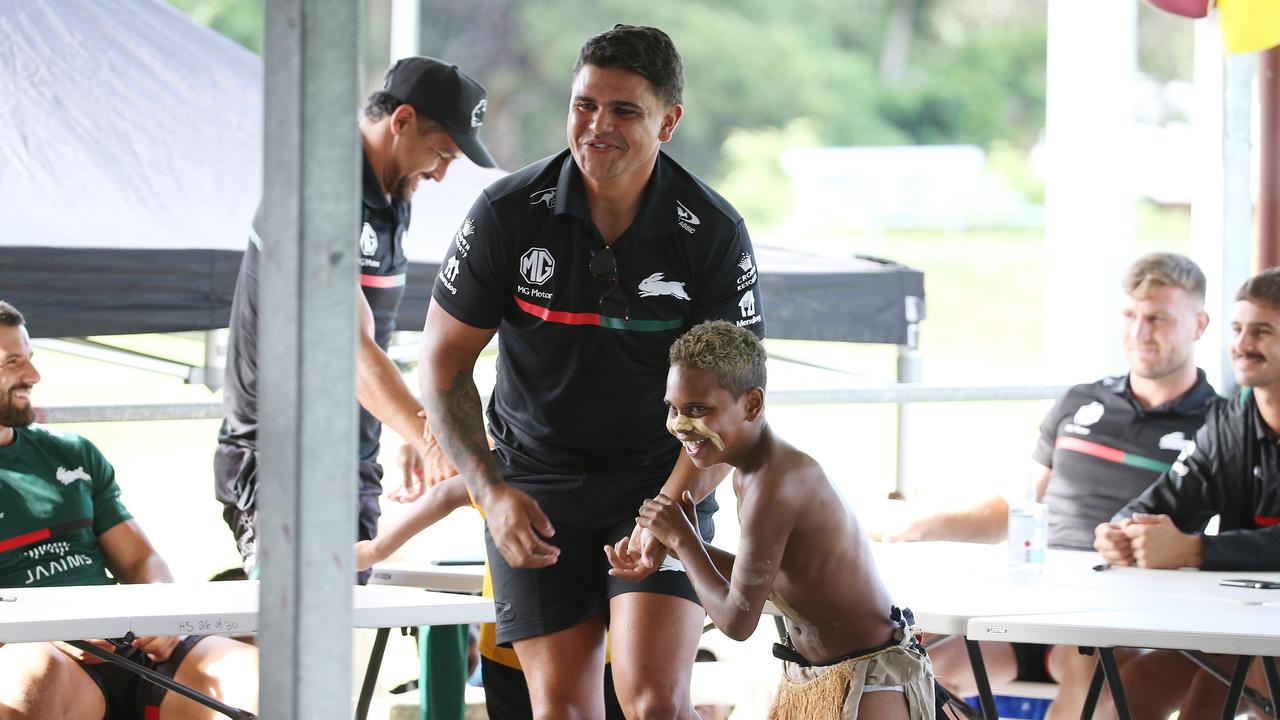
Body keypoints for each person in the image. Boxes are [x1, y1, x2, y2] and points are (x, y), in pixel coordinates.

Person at [419, 25, 765, 719]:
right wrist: (491, 492)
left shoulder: (714, 233)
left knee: (655, 703)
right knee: (564, 711)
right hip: (534, 486)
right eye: (585, 105)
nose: (598, 126)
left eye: (625, 111)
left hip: (660, 479)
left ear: (669, 121)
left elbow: (734, 411)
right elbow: (443, 363)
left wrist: (668, 511)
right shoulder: (507, 213)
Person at [888, 253, 1217, 716]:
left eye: (1158, 318)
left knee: (1089, 663)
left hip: (1126, 618)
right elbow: (1013, 508)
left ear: (1199, 324)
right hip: (1031, 602)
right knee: (913, 679)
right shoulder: (1081, 400)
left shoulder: (1218, 424)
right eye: (1130, 316)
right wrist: (921, 525)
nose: (1140, 332)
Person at [215, 56, 496, 578]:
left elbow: (374, 334)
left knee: (338, 640)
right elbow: (344, 346)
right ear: (402, 120)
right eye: (440, 153)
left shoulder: (392, 193)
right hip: (283, 459)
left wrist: (398, 424)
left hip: (352, 460)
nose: (439, 174)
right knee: (297, 641)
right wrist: (426, 431)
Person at [617, 320, 937, 719]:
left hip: (868, 679)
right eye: (673, 409)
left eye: (698, 410)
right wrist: (675, 548)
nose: (680, 425)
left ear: (751, 404)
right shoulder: (748, 476)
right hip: (818, 676)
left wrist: (684, 542)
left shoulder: (777, 483)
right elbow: (763, 580)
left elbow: (737, 620)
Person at [0, 300, 259, 720]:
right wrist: (45, 631)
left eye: (30, 358)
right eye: (13, 362)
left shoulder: (72, 452)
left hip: (128, 641)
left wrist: (160, 610)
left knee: (264, 676)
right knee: (32, 674)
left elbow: (140, 559)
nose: (33, 375)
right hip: (39, 655)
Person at [1093, 268, 1280, 719]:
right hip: (1250, 621)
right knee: (1131, 690)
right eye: (1237, 328)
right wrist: (1124, 530)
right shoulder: (1230, 420)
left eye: (1262, 331)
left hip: (1264, 635)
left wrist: (1194, 550)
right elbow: (1166, 499)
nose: (1241, 344)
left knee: (1226, 694)